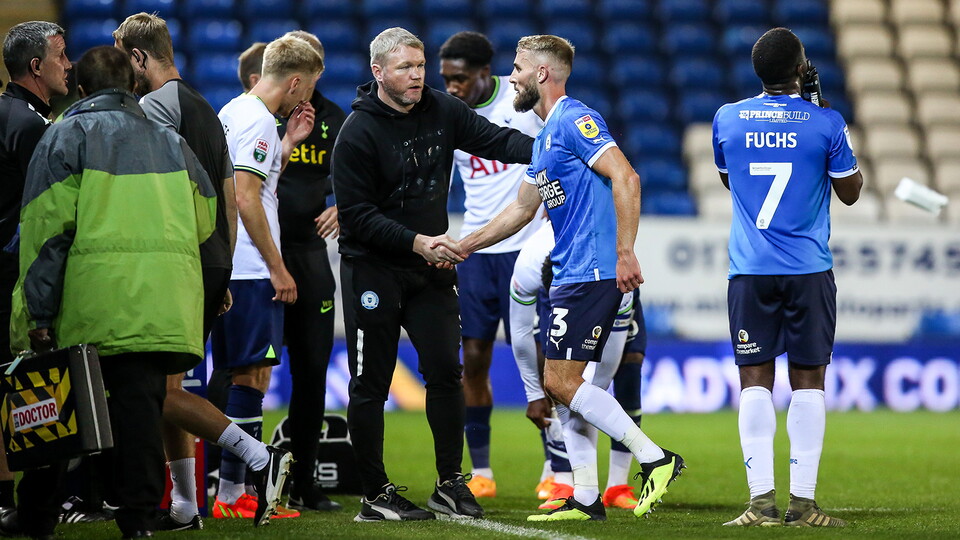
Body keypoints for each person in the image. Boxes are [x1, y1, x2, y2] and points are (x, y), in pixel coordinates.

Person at [454, 34, 684, 522]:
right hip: (570, 271)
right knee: (563, 384)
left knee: (560, 380)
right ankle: (584, 495)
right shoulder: (544, 138)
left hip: (594, 271)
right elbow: (521, 207)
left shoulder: (577, 120)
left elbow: (627, 177)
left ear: (541, 74)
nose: (510, 76)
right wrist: (466, 245)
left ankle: (655, 458)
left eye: (517, 68)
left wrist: (625, 253)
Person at [6, 45, 216, 539]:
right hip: (161, 303)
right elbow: (206, 218)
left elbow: (44, 231)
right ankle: (139, 521)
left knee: (56, 410)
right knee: (141, 413)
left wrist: (36, 311)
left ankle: (36, 517)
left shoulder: (65, 135)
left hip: (90, 302)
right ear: (133, 87)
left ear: (81, 89)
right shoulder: (172, 141)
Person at [332, 27, 533, 522]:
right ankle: (375, 495)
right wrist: (416, 241)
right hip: (374, 271)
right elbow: (355, 216)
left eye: (420, 66)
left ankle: (449, 484)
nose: (418, 75)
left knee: (447, 372)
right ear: (378, 72)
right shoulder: (357, 133)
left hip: (431, 270)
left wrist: (557, 147)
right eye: (406, 67)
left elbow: (497, 140)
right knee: (370, 384)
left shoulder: (443, 109)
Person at [113, 12, 293, 529]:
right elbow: (230, 196)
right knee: (171, 386)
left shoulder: (153, 107)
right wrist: (223, 264)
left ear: (139, 58)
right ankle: (187, 506)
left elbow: (158, 192)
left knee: (162, 391)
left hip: (181, 261)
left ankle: (259, 458)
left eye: (126, 58)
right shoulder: (201, 108)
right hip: (211, 258)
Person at [712, 27, 861, 528]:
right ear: (802, 69)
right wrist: (819, 109)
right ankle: (803, 504)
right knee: (808, 383)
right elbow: (851, 192)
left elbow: (731, 178)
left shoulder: (727, 119)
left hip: (750, 270)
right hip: (808, 271)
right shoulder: (827, 123)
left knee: (754, 381)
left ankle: (760, 505)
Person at [211, 34, 320, 525]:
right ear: (294, 80)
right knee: (251, 375)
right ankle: (235, 492)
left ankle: (232, 488)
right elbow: (248, 198)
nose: (308, 98)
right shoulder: (257, 121)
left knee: (243, 373)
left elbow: (254, 182)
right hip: (252, 269)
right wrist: (278, 267)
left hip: (232, 264)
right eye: (308, 87)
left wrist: (288, 144)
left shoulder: (237, 110)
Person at [438, 30, 544, 499]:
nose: (452, 87)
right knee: (473, 360)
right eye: (446, 79)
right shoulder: (448, 115)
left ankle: (554, 468)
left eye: (460, 79)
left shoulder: (523, 101)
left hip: (527, 247)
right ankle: (480, 471)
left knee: (543, 362)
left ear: (485, 73)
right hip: (477, 252)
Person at [264, 30, 345, 513]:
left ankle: (306, 482)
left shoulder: (334, 119)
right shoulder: (261, 116)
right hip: (261, 258)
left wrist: (348, 207)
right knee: (244, 369)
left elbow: (365, 175)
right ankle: (232, 479)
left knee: (312, 373)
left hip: (311, 259)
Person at [0, 21, 71, 509]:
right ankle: (31, 501)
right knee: (23, 387)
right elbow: (44, 214)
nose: (68, 65)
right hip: (14, 277)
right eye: (61, 56)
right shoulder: (33, 126)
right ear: (36, 67)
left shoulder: (9, 114)